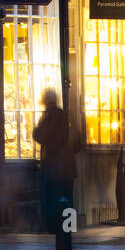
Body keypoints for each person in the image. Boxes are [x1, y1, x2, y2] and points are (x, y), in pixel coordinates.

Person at [33, 89, 83, 233]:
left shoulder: (49, 116)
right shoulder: (65, 114)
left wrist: (35, 131)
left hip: (55, 166)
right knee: (68, 197)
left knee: (54, 198)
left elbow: (43, 137)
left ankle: (55, 228)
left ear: (44, 101)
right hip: (68, 165)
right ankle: (69, 227)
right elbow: (78, 142)